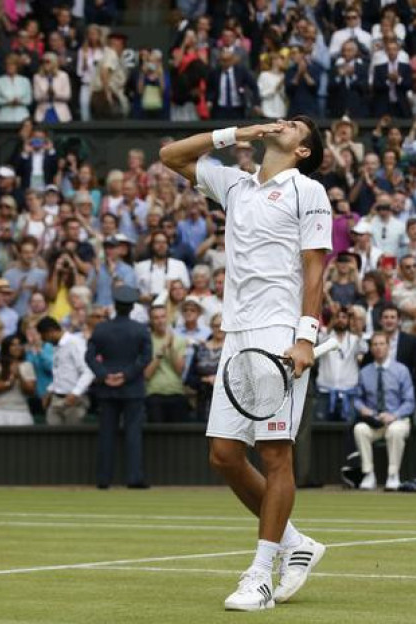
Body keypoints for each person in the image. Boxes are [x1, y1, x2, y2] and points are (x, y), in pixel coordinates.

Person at [159, 117, 330, 611]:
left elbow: (315, 268)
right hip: (236, 334)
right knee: (225, 456)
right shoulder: (235, 185)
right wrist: (236, 134)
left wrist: (305, 337)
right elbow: (172, 155)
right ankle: (296, 542)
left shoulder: (309, 190)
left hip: (280, 334)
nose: (285, 123)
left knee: (276, 454)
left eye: (296, 126)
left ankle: (260, 574)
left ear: (301, 150)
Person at [84, 286, 153, 489]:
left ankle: (103, 479)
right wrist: (127, 375)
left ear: (115, 305)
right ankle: (134, 478)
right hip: (132, 388)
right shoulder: (140, 329)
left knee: (106, 434)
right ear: (132, 307)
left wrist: (105, 375)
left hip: (108, 389)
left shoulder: (101, 328)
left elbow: (89, 357)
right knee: (133, 434)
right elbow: (146, 358)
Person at [352, 331, 416, 491]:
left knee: (394, 431)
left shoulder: (401, 370)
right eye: (375, 344)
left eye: (382, 344)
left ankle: (393, 475)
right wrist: (363, 409)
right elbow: (357, 398)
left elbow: (410, 401)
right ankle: (368, 474)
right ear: (371, 348)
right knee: (359, 429)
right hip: (375, 421)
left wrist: (394, 415)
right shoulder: (364, 372)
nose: (379, 348)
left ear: (388, 347)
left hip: (398, 419)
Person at [36, 316, 94, 426]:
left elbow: (88, 371)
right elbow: (61, 373)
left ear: (51, 332)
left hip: (75, 400)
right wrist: (50, 390)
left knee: (72, 439)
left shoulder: (75, 343)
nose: (44, 341)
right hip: (57, 399)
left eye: (44, 337)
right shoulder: (56, 347)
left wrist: (75, 393)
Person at [144, 305, 189, 423]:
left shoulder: (180, 340)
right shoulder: (146, 341)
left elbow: (180, 370)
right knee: (157, 437)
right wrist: (161, 352)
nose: (160, 321)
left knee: (178, 437)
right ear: (151, 321)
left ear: (167, 318)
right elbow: (146, 374)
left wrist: (171, 347)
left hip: (176, 393)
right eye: (156, 318)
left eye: (163, 317)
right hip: (154, 394)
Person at [0, 334, 35, 426]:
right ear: (6, 348)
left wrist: (19, 375)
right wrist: (8, 384)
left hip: (20, 412)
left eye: (19, 344)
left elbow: (30, 391)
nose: (17, 347)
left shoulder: (27, 365)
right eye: (13, 345)